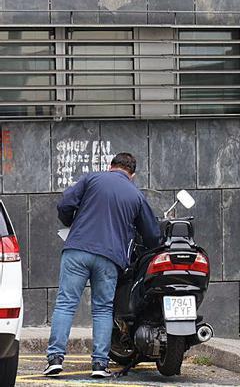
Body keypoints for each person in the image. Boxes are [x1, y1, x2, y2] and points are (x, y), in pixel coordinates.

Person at [46, 152, 161, 378]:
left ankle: (55, 359)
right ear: (133, 174)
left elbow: (65, 204)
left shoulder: (91, 179)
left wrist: (73, 222)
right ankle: (99, 365)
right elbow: (151, 235)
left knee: (66, 304)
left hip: (77, 249)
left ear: (111, 166)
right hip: (110, 257)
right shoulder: (136, 195)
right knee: (102, 309)